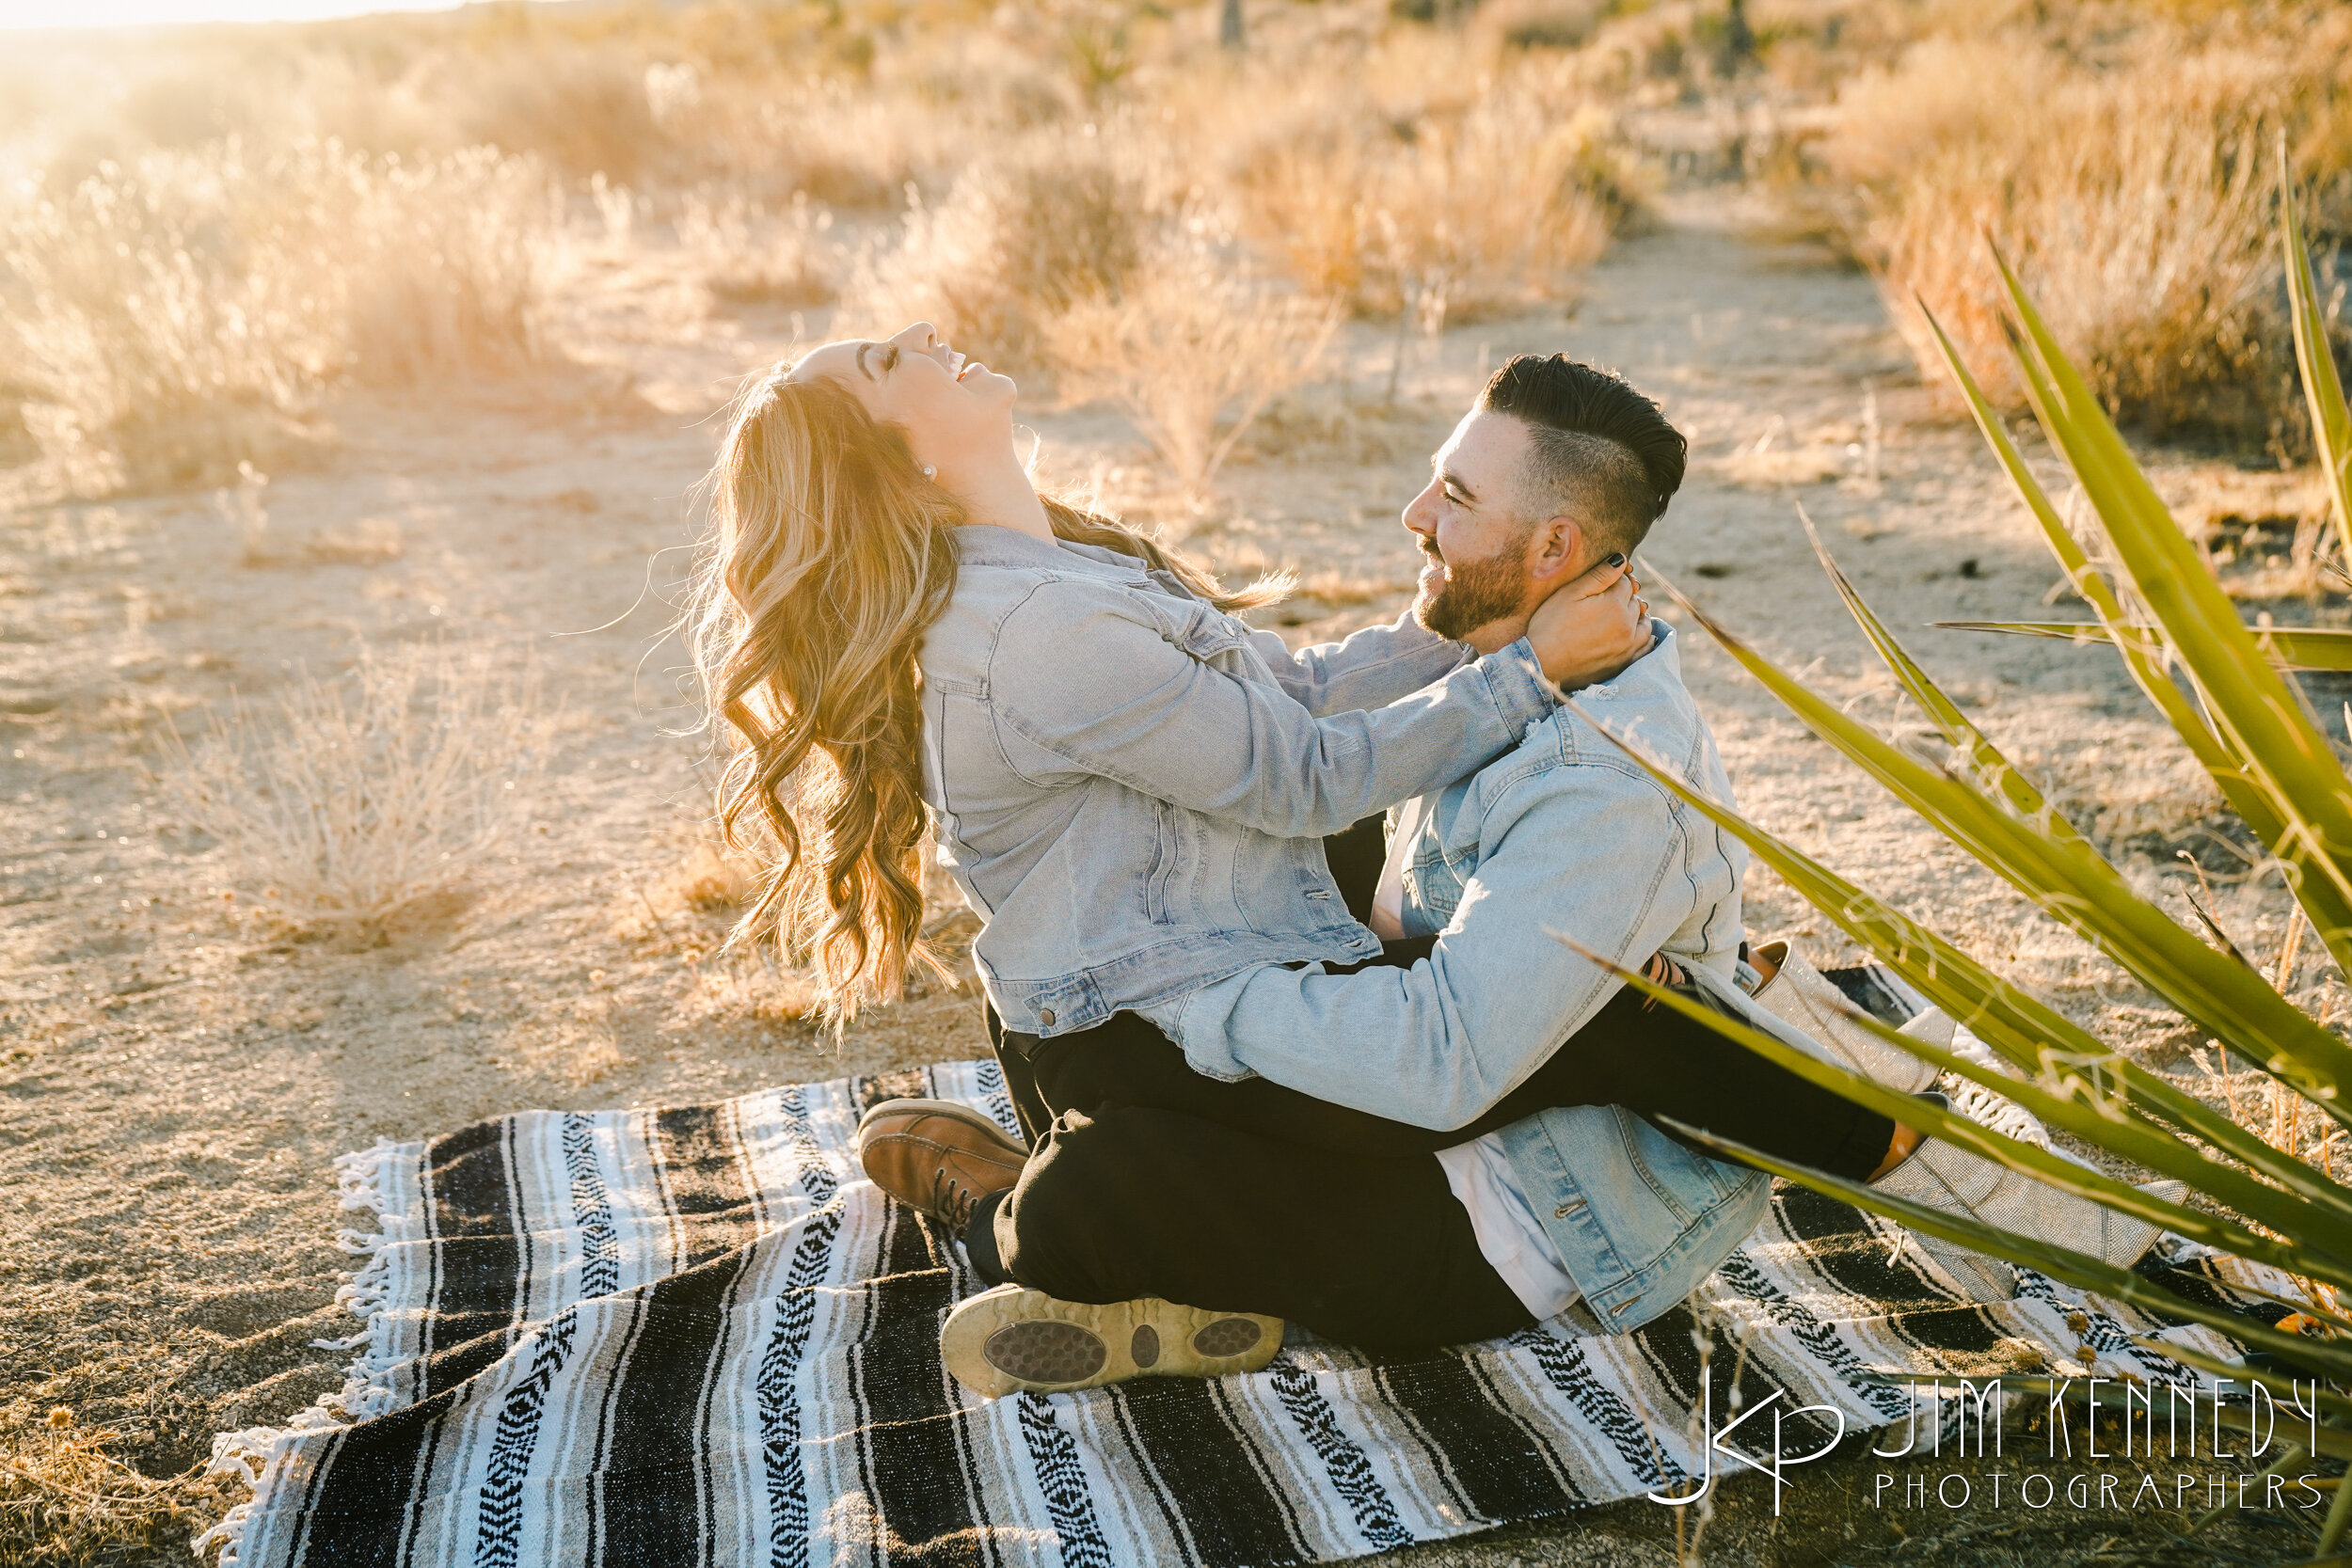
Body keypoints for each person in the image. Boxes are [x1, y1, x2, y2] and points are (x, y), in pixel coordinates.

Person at [848, 356, 2175, 1399]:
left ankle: (1021, 1220)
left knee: (1093, 1192)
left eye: (1457, 500)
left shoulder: (1607, 770)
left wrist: (1214, 1000)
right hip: (1466, 1083)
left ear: (1552, 552)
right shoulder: (1491, 670)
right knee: (1093, 1003)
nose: (1413, 516)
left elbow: (1448, 1058)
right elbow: (1312, 736)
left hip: (1503, 1220)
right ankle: (1170, 1259)